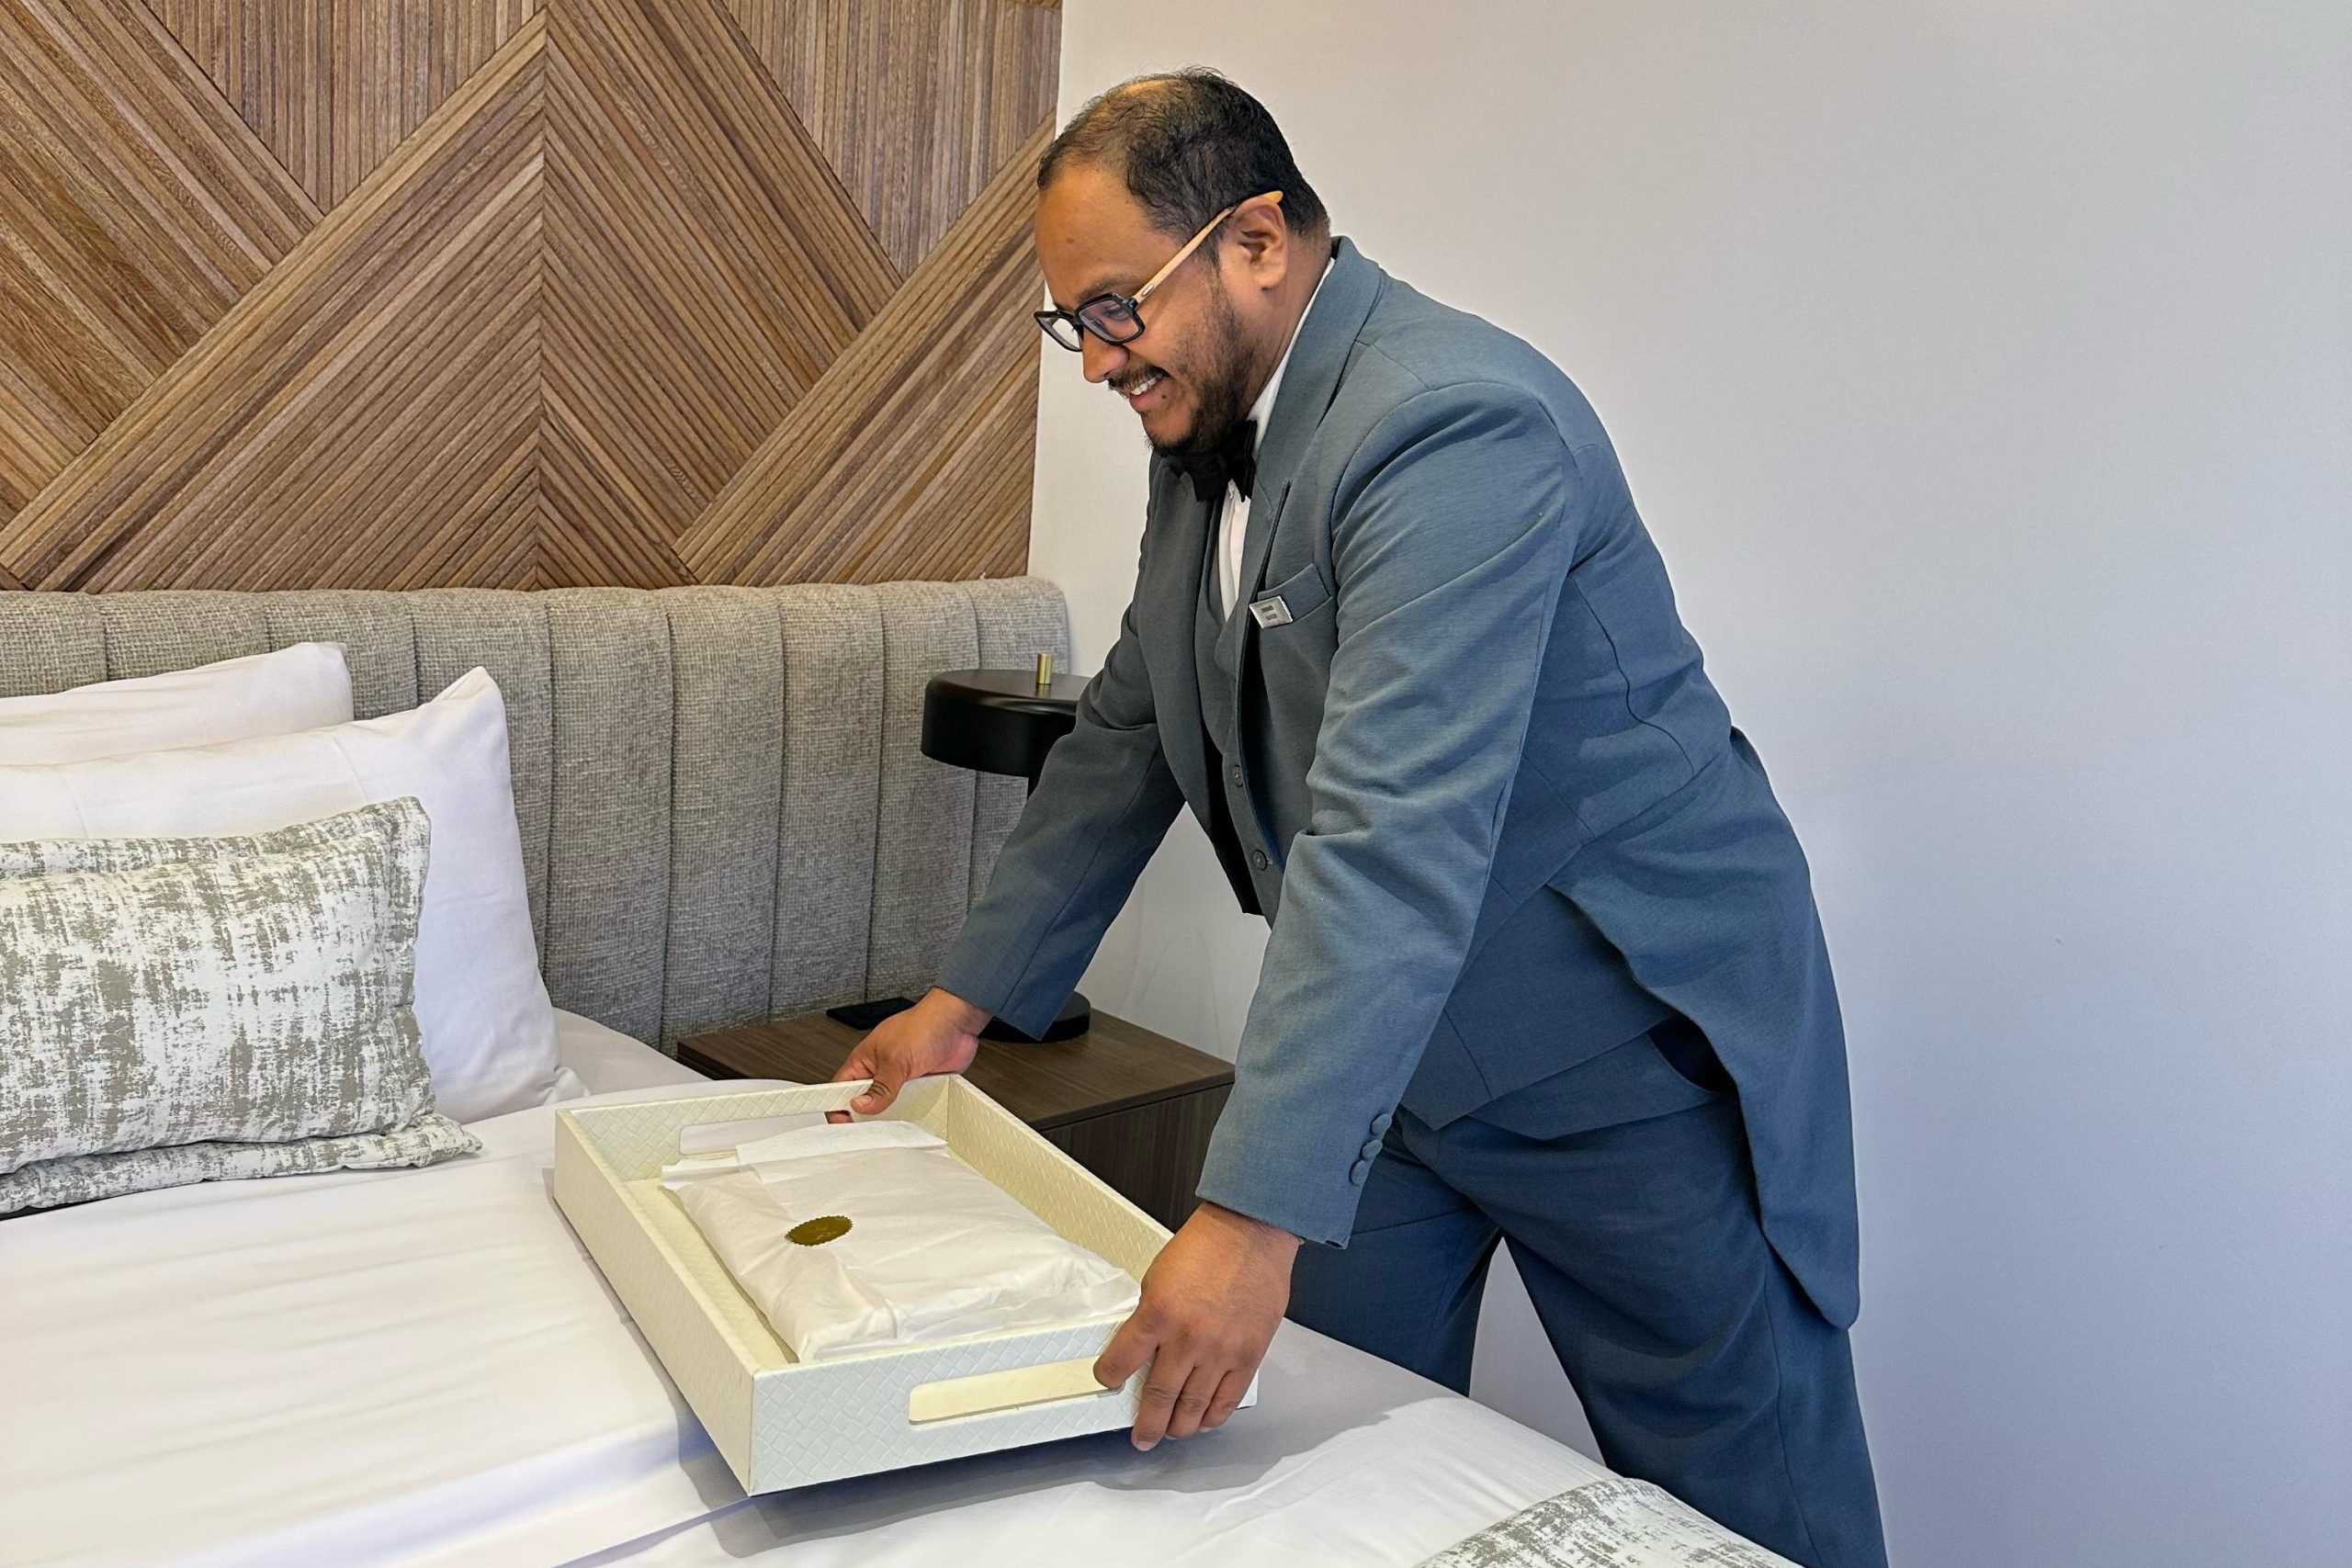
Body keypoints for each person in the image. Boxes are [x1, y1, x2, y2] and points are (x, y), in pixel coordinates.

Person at [830, 68, 1886, 1568]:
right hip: (1391, 1060)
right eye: (1074, 323)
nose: (1098, 360)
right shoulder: (1212, 430)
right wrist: (965, 1002)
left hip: (1621, 1046)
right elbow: (1133, 723)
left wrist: (1245, 1219)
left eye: (1116, 308)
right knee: (1302, 1460)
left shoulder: (1456, 421)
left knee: (1754, 1512)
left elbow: (1394, 836)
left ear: (1256, 240)